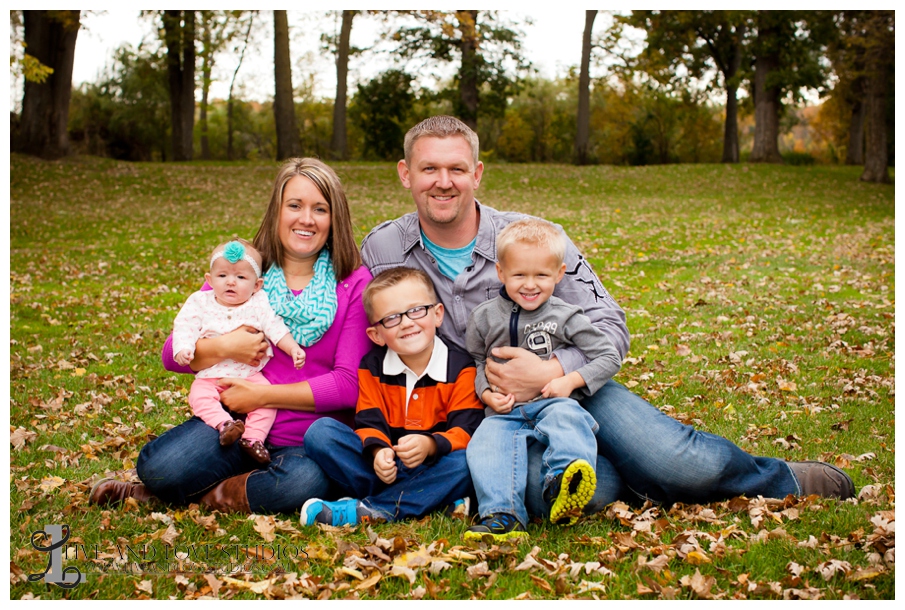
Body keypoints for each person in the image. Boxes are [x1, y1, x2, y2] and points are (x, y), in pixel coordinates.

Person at [360, 115, 855, 522]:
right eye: (429, 170)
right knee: (544, 494)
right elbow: (364, 331)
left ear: (478, 173)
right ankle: (624, 473)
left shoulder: (535, 238)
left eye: (456, 169)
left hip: (576, 389)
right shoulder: (383, 248)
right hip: (493, 417)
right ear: (406, 174)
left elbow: (611, 327)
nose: (443, 182)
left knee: (674, 461)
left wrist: (552, 371)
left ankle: (778, 478)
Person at [89, 158, 373, 514]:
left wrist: (262, 394)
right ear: (277, 211)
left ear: (335, 219)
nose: (306, 219)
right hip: (230, 422)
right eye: (295, 206)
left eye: (320, 209)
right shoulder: (245, 269)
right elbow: (171, 354)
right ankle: (195, 483)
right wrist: (225, 346)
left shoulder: (353, 282)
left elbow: (349, 384)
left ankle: (205, 495)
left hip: (304, 438)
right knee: (160, 468)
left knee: (304, 483)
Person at [464, 218, 622, 541]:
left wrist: (571, 380)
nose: (530, 285)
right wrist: (486, 394)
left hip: (552, 401)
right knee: (485, 445)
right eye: (519, 274)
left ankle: (564, 482)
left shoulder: (565, 316)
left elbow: (608, 355)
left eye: (542, 275)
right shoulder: (483, 318)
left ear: (560, 275)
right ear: (501, 272)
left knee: (568, 419)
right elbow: (479, 361)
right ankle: (502, 516)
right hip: (505, 412)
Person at [301, 267, 483, 526]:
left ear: (438, 314)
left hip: (436, 464)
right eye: (392, 318)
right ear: (376, 335)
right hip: (385, 469)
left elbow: (466, 431)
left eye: (417, 310)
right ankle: (431, 500)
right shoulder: (372, 367)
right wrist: (378, 453)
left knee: (466, 462)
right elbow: (368, 423)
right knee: (320, 433)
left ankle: (375, 509)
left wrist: (430, 445)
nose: (407, 322)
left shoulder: (461, 367)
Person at [172, 238, 307, 466]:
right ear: (209, 280)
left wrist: (292, 347)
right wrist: (184, 349)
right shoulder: (200, 301)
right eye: (222, 276)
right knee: (199, 396)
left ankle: (253, 439)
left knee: (267, 401)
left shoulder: (257, 303)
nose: (230, 282)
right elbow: (184, 326)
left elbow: (275, 327)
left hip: (249, 375)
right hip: (210, 374)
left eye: (240, 277)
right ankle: (224, 424)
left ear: (256, 285)